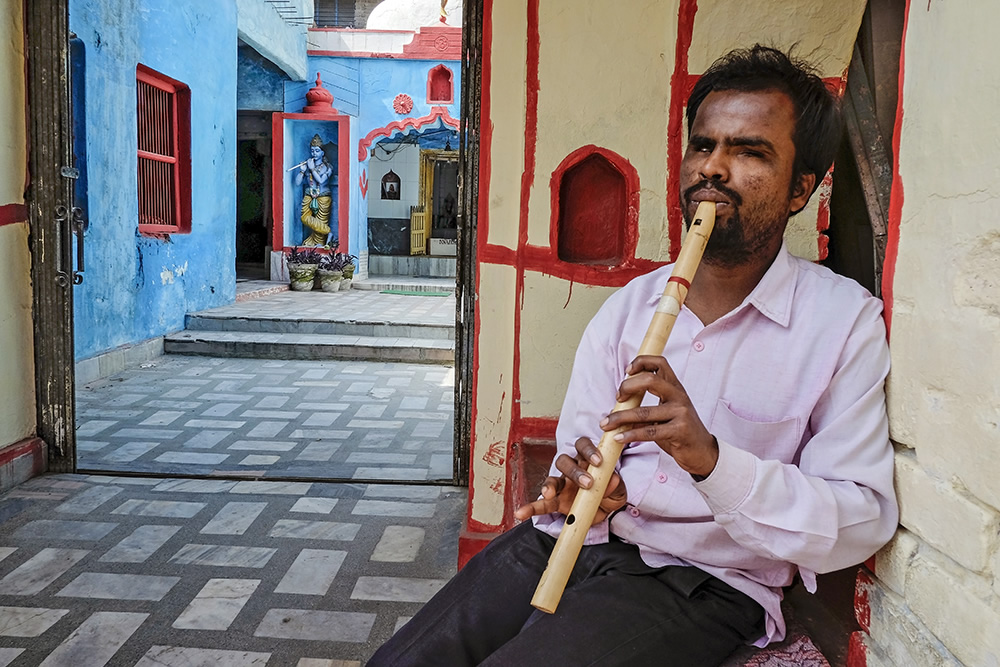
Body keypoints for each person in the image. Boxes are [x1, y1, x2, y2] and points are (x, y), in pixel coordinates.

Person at [368, 45, 898, 667]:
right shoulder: (629, 309)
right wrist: (592, 487)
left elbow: (862, 519)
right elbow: (581, 454)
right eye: (703, 146)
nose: (714, 170)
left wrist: (710, 461)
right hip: (578, 540)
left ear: (800, 190)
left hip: (702, 581)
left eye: (749, 152)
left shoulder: (844, 323)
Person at [297, 134, 334, 246]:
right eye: (312, 151)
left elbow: (321, 180)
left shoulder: (327, 167)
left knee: (320, 220)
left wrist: (312, 168)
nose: (314, 154)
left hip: (323, 196)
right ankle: (328, 232)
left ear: (322, 153)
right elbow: (297, 183)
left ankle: (321, 242)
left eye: (317, 151)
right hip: (309, 195)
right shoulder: (308, 166)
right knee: (305, 217)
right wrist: (302, 170)